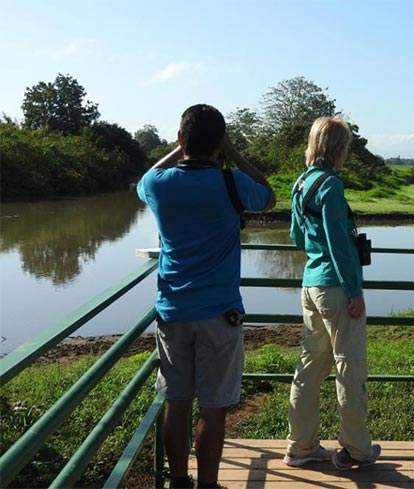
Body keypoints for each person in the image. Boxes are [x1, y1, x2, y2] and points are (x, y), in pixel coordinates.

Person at [137, 104, 276, 488]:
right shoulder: (233, 184)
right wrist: (233, 154)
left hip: (173, 310)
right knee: (213, 408)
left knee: (176, 401)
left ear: (182, 140)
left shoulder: (158, 185)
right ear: (220, 144)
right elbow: (269, 196)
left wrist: (177, 148)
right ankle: (208, 485)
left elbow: (144, 177)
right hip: (220, 313)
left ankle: (179, 480)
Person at [285, 116, 381, 470]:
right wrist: (355, 291)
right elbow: (341, 245)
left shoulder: (301, 182)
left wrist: (317, 252)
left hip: (311, 284)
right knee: (349, 366)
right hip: (337, 287)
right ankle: (357, 449)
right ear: (338, 148)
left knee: (310, 366)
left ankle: (301, 445)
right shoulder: (331, 186)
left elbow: (297, 235)